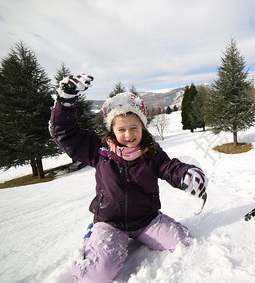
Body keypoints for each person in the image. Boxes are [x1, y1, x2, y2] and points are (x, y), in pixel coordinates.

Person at [49, 74, 208, 283]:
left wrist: (187, 174)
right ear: (112, 130)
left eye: (134, 128)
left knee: (184, 241)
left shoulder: (151, 152)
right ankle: (92, 237)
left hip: (146, 220)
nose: (128, 134)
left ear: (142, 127)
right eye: (121, 129)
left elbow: (170, 167)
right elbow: (65, 134)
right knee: (96, 275)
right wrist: (65, 102)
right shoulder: (99, 151)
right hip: (110, 222)